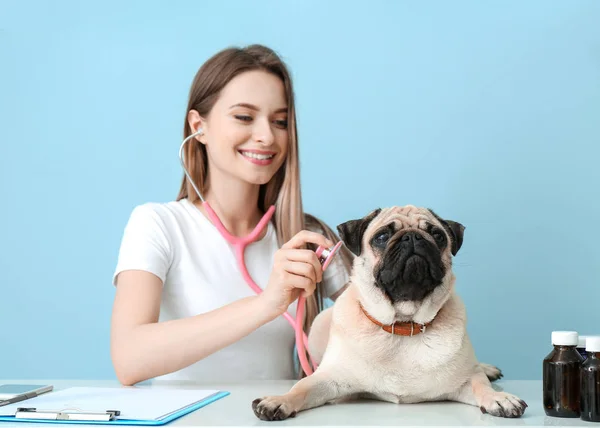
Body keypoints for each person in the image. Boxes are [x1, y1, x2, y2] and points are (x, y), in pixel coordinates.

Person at [110, 44, 353, 386]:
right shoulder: (158, 225)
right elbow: (129, 358)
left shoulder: (306, 236)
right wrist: (266, 304)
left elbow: (384, 324)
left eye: (280, 121)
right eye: (244, 117)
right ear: (199, 126)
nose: (267, 136)